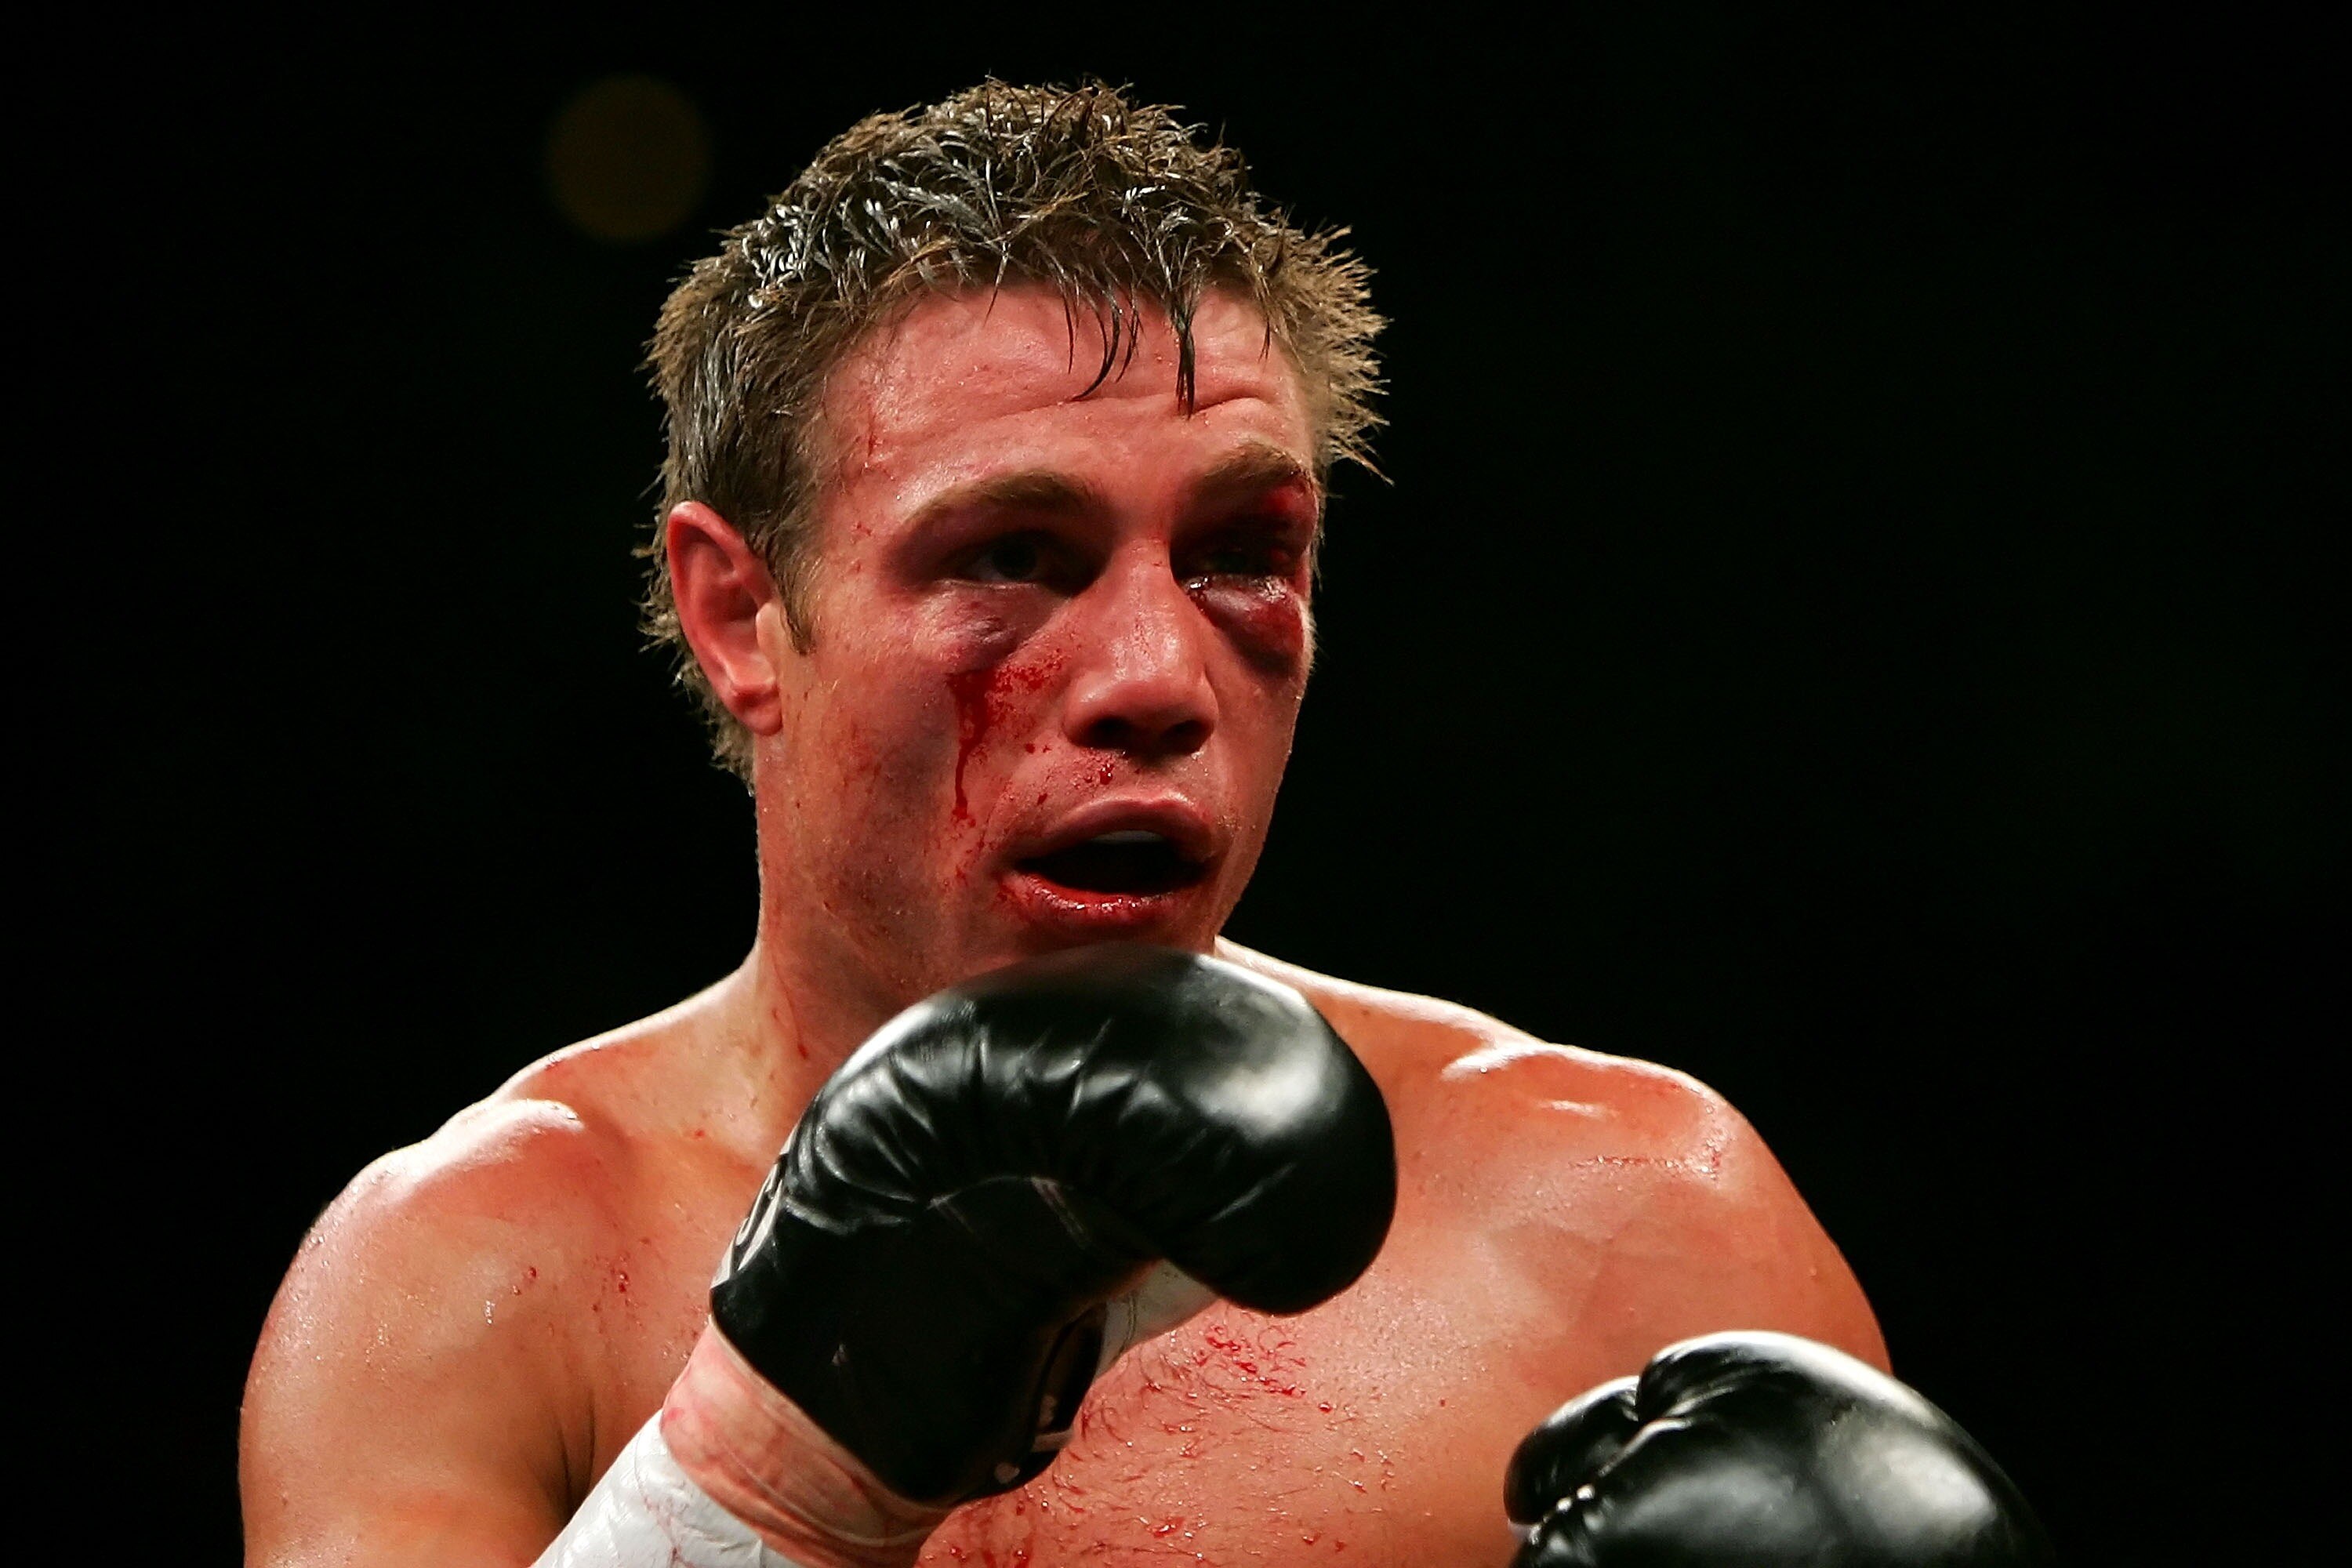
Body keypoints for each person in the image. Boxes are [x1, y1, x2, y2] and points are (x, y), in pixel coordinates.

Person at [241, 83, 2031, 1565]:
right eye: (1013, 557)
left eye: (1245, 554)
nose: (1158, 675)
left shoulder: (1632, 1222)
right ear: (737, 616)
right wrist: (764, 1477)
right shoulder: (483, 1277)